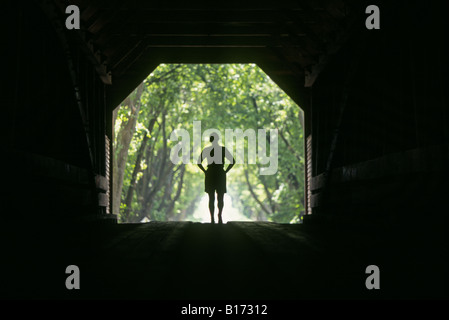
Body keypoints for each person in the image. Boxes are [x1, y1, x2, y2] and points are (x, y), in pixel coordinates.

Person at [197, 133, 235, 224]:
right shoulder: (223, 149)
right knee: (220, 197)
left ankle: (212, 218)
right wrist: (225, 171)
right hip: (220, 173)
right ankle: (220, 216)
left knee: (211, 197)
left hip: (210, 173)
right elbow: (233, 161)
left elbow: (199, 162)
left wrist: (205, 171)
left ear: (210, 140)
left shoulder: (207, 150)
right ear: (218, 140)